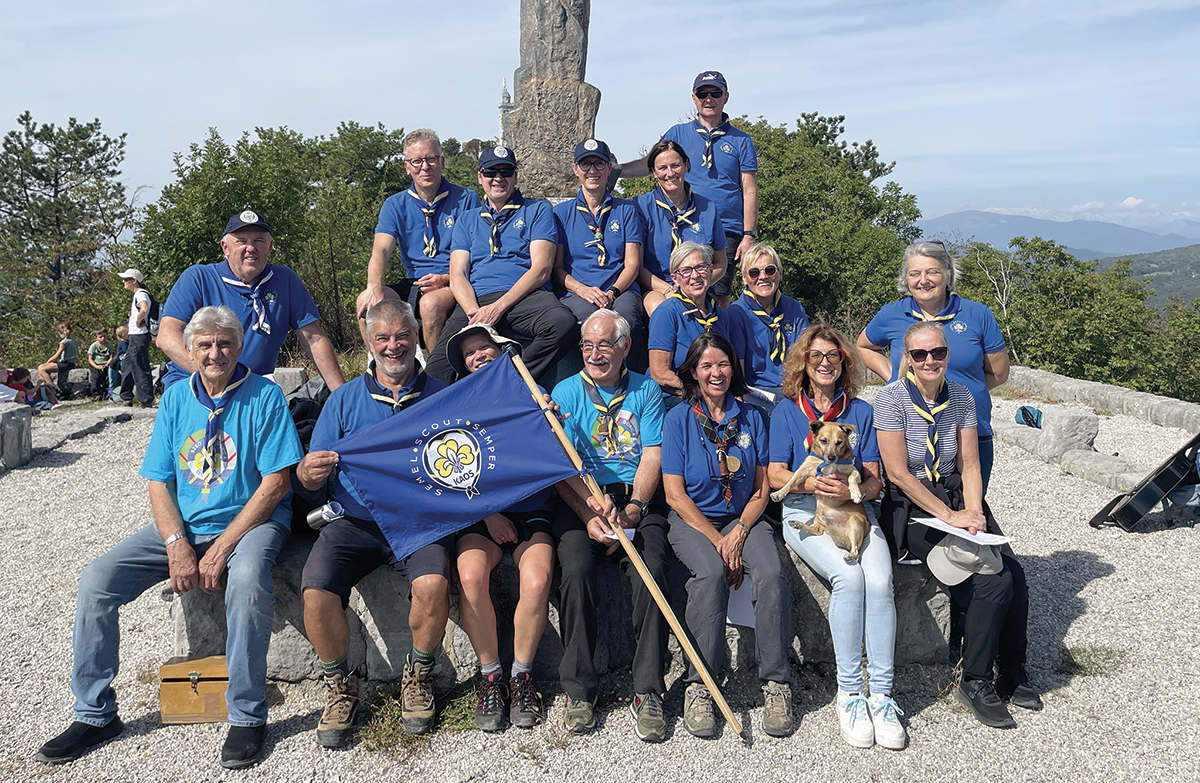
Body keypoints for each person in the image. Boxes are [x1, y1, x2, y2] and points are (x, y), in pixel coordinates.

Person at [37, 306, 303, 769]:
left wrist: (221, 548)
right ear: (190, 351)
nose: (215, 353)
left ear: (239, 347)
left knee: (245, 580)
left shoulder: (264, 395)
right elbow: (159, 480)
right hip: (190, 523)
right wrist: (177, 542)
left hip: (252, 522)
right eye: (205, 345)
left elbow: (276, 483)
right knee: (97, 580)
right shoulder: (177, 397)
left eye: (225, 344)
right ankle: (94, 713)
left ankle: (246, 714)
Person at [296, 299, 450, 747]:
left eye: (402, 335)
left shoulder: (443, 395)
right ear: (368, 342)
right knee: (316, 591)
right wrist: (308, 472)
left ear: (416, 337)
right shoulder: (344, 399)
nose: (393, 346)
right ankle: (340, 686)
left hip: (420, 522)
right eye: (382, 338)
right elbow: (307, 477)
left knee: (433, 585)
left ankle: (418, 675)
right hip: (354, 521)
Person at [874, 322, 1040, 729]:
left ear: (948, 354)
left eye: (938, 352)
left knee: (1014, 573)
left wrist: (974, 513)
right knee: (993, 581)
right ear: (907, 359)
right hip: (914, 505)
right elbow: (898, 474)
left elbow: (970, 465)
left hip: (955, 495)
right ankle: (975, 679)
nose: (930, 361)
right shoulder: (891, 399)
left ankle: (1012, 667)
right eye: (919, 354)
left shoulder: (962, 396)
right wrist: (949, 518)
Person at [767, 325, 905, 749]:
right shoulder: (787, 410)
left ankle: (881, 694)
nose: (824, 363)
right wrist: (812, 485)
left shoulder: (861, 411)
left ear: (845, 362)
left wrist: (852, 489)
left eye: (833, 356)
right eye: (816, 356)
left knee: (880, 581)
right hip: (804, 509)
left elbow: (875, 481)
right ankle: (850, 693)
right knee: (849, 579)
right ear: (803, 362)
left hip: (856, 510)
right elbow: (775, 474)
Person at [662, 331, 793, 738]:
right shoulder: (678, 419)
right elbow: (674, 494)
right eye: (706, 366)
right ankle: (700, 684)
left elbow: (761, 489)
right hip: (693, 520)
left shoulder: (753, 417)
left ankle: (776, 683)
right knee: (710, 574)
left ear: (732, 369)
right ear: (693, 372)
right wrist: (718, 540)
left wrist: (739, 530)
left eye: (722, 364)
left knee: (770, 573)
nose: (715, 373)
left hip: (744, 518)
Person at [550, 309, 671, 742]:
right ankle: (580, 692)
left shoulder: (646, 389)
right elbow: (560, 464)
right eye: (587, 345)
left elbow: (652, 454)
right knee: (575, 572)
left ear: (625, 347)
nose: (594, 353)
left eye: (604, 344)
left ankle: (648, 691)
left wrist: (635, 507)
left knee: (651, 571)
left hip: (634, 497)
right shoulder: (564, 392)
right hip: (582, 499)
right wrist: (589, 514)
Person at [444, 322, 555, 732]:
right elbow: (450, 472)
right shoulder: (455, 403)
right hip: (479, 512)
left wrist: (551, 420)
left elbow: (553, 452)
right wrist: (490, 514)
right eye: (469, 353)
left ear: (502, 349)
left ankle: (521, 677)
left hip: (531, 509)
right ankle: (491, 677)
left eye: (484, 347)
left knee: (538, 579)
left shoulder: (533, 392)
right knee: (470, 577)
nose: (479, 355)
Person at [858, 241, 1009, 491]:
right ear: (906, 279)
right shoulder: (891, 314)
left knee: (969, 503)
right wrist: (893, 378)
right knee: (909, 506)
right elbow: (864, 346)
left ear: (948, 275)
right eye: (914, 273)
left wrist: (958, 397)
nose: (923, 280)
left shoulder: (978, 314)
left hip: (970, 429)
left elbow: (999, 373)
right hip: (909, 431)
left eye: (932, 272)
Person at [425, 146, 577, 384]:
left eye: (506, 172)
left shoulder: (537, 210)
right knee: (436, 371)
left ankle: (509, 383)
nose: (498, 178)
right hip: (477, 299)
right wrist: (474, 314)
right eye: (490, 172)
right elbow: (458, 274)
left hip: (525, 296)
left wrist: (498, 308)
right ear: (480, 177)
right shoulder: (467, 219)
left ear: (515, 177)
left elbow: (541, 269)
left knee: (563, 324)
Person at [156, 209, 345, 392]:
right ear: (225, 247)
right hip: (193, 383)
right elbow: (166, 336)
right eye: (241, 241)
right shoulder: (199, 278)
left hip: (253, 389)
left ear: (269, 247)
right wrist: (219, 379)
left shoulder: (285, 280)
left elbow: (314, 340)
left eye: (258, 240)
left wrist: (343, 397)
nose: (250, 248)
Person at [355, 129, 482, 351]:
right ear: (407, 167)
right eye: (416, 161)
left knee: (430, 304)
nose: (425, 167)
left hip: (452, 280)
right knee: (366, 303)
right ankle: (383, 367)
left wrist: (445, 277)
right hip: (414, 282)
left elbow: (478, 252)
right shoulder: (395, 205)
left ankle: (436, 369)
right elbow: (381, 250)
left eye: (431, 159)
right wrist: (373, 286)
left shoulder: (466, 199)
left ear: (442, 162)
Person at [661, 71, 758, 309]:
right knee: (682, 288)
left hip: (726, 228)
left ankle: (716, 333)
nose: (709, 98)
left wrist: (749, 235)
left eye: (715, 93)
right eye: (702, 93)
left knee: (720, 295)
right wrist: (616, 170)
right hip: (684, 223)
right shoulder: (677, 133)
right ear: (694, 98)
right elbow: (653, 164)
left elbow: (749, 189)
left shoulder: (741, 140)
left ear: (726, 97)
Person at [552, 139, 646, 359]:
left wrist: (613, 292)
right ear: (575, 169)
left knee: (627, 319)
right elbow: (556, 269)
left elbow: (633, 264)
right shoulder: (561, 213)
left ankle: (630, 375)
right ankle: (592, 375)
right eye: (585, 164)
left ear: (609, 168)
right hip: (578, 292)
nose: (592, 170)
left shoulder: (627, 209)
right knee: (590, 321)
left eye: (599, 163)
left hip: (620, 290)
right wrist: (582, 290)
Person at [634, 140, 727, 318]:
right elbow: (637, 266)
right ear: (653, 172)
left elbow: (721, 263)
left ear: (686, 165)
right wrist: (670, 290)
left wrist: (698, 284)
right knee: (663, 310)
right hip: (659, 288)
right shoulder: (640, 207)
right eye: (662, 168)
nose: (670, 173)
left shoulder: (708, 208)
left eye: (675, 165)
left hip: (700, 288)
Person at [647, 242, 736, 407]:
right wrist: (699, 391)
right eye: (686, 271)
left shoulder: (721, 316)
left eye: (701, 267)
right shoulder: (666, 313)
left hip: (713, 394)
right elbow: (659, 373)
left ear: (710, 271)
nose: (695, 276)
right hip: (675, 398)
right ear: (675, 278)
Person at [727, 243, 808, 412]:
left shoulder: (795, 308)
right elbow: (738, 369)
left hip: (791, 389)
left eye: (770, 270)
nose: (763, 277)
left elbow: (803, 356)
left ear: (780, 274)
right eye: (754, 272)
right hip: (756, 392)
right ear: (744, 278)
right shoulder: (736, 313)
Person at [117, 268, 156, 407]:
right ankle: (126, 397)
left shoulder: (140, 293)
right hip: (135, 336)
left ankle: (146, 400)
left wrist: (138, 320)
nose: (123, 281)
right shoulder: (139, 294)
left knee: (140, 366)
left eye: (126, 279)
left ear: (134, 281)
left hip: (139, 335)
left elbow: (144, 308)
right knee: (127, 365)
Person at [37, 322, 77, 399]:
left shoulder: (64, 342)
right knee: (42, 369)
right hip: (70, 363)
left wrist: (48, 361)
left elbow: (57, 355)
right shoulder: (73, 340)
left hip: (65, 363)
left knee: (41, 369)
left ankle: (53, 389)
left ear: (59, 332)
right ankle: (43, 389)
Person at [85, 328, 118, 400]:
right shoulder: (94, 346)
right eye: (100, 337)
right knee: (95, 377)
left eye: (104, 336)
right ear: (96, 338)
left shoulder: (109, 345)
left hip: (105, 363)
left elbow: (111, 357)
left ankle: (106, 391)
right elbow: (90, 359)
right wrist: (97, 367)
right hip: (95, 363)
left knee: (107, 377)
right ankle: (95, 393)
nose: (103, 338)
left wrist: (106, 365)